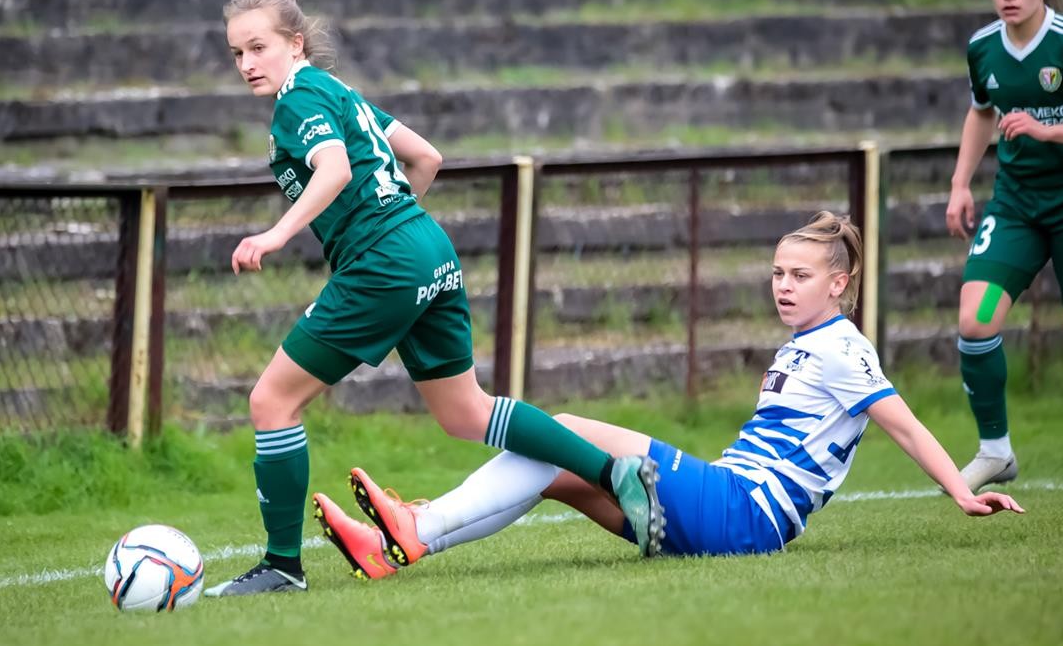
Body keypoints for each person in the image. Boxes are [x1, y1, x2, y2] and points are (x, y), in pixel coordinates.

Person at [204, 0, 664, 597]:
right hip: (425, 245)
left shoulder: (299, 99)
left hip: (384, 260)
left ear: (295, 44)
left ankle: (282, 566)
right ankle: (616, 473)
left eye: (258, 48)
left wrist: (276, 235)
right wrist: (395, 226)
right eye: (237, 53)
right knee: (465, 412)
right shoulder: (340, 93)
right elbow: (427, 158)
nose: (246, 64)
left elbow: (335, 168)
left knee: (271, 402)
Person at [311, 212, 1024, 575]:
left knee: (562, 424)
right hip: (726, 507)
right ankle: (399, 539)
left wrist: (961, 492)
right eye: (777, 273)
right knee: (550, 469)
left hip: (744, 516)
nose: (783, 286)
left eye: (800, 276)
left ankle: (415, 524)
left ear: (838, 285)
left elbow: (903, 424)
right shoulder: (805, 344)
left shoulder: (842, 347)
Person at [945, 0, 1063, 492]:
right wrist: (960, 183)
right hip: (1017, 206)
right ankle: (996, 451)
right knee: (976, 319)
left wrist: (1048, 131)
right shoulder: (983, 47)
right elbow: (982, 111)